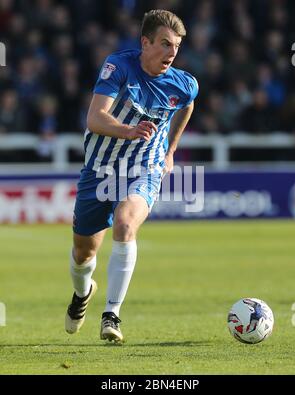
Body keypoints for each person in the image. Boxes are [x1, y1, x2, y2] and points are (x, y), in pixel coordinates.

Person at [65, 9, 199, 342]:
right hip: (100, 170)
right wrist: (129, 131)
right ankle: (83, 294)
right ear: (145, 42)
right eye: (165, 44)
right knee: (84, 253)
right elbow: (95, 119)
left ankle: (112, 315)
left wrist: (169, 152)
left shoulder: (184, 84)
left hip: (145, 169)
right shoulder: (119, 66)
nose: (171, 53)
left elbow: (188, 104)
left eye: (177, 46)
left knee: (125, 224)